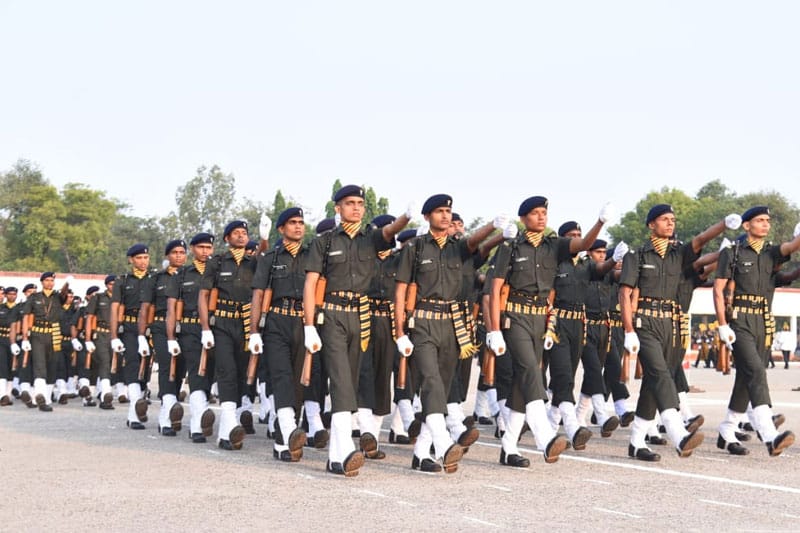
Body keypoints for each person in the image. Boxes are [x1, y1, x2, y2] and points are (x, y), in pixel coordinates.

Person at [486, 197, 613, 468]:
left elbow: (584, 245)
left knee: (523, 384)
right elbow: (495, 289)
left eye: (544, 212)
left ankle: (508, 447)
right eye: (535, 213)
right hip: (515, 316)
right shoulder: (511, 246)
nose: (541, 217)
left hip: (540, 318)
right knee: (531, 372)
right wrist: (494, 329)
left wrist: (600, 222)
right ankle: (546, 437)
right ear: (523, 219)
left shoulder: (554, 245)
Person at [303, 184, 411, 476]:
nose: (356, 208)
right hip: (333, 315)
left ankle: (336, 457)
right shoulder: (324, 243)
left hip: (360, 316)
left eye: (360, 204)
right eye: (349, 203)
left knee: (348, 382)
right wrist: (309, 325)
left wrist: (406, 217)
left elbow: (389, 233)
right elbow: (311, 284)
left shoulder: (370, 240)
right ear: (337, 208)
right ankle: (344, 450)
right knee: (339, 380)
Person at [394, 194, 506, 473]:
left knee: (442, 388)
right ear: (427, 217)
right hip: (422, 322)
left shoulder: (458, 248)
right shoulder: (416, 249)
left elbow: (474, 242)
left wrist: (493, 226)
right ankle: (443, 444)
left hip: (452, 324)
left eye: (448, 211)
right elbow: (400, 291)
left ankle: (421, 454)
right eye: (439, 211)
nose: (445, 216)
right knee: (431, 381)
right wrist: (399, 331)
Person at [620, 205, 740, 461]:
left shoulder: (678, 254)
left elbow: (700, 240)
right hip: (646, 322)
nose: (670, 223)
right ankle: (678, 432)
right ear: (651, 224)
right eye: (664, 219)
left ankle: (636, 441)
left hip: (672, 325)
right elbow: (625, 293)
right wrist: (629, 330)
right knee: (661, 374)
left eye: (673, 220)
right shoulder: (637, 256)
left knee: (654, 383)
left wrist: (723, 225)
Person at [715, 208, 800, 456]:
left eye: (767, 221)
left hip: (763, 321)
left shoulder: (771, 254)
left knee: (746, 377)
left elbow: (792, 246)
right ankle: (769, 434)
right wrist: (721, 324)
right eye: (760, 220)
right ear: (746, 226)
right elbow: (718, 290)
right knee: (755, 370)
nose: (765, 225)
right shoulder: (731, 253)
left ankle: (727, 429)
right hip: (739, 319)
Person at [249, 207, 315, 462]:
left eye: (301, 222)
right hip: (277, 320)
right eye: (292, 223)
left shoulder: (312, 256)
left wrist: (313, 325)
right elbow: (258, 294)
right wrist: (254, 331)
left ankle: (283, 436)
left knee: (300, 380)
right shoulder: (270, 258)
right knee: (282, 376)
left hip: (303, 321)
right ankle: (288, 433)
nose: (298, 226)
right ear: (281, 229)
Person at [198, 221, 258, 450]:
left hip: (245, 323)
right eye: (237, 233)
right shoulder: (217, 262)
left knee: (243, 373)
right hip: (222, 321)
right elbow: (203, 296)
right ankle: (230, 424)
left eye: (244, 233)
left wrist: (262, 240)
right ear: (227, 238)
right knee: (226, 370)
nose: (242, 236)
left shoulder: (254, 262)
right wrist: (205, 328)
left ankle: (227, 430)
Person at [166, 232, 217, 443]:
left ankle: (202, 412)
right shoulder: (182, 275)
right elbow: (171, 308)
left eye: (209, 248)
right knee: (197, 373)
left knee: (210, 374)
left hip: (216, 329)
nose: (205, 251)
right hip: (189, 328)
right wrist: (171, 337)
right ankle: (197, 424)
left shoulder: (218, 271)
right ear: (193, 250)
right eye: (201, 247)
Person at [140, 239, 188, 437]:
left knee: (181, 368)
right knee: (168, 366)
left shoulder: (189, 275)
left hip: (183, 326)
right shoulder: (156, 278)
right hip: (160, 326)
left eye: (182, 252)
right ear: (168, 255)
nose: (178, 255)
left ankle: (172, 404)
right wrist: (142, 335)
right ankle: (166, 414)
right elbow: (145, 308)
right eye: (174, 252)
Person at [110, 244, 153, 430]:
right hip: (129, 327)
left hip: (150, 328)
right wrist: (114, 335)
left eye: (145, 258)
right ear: (131, 260)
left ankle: (135, 410)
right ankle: (136, 412)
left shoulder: (154, 278)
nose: (143, 261)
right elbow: (115, 308)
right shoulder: (123, 281)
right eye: (139, 258)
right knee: (133, 365)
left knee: (146, 368)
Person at [20, 272, 71, 412]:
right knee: (39, 364)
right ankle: (40, 395)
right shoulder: (34, 297)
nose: (49, 283)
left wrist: (67, 283)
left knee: (52, 364)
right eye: (47, 280)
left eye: (52, 280)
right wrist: (25, 337)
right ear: (42, 282)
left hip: (53, 333)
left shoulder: (57, 297)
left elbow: (64, 294)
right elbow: (26, 317)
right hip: (37, 333)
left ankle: (46, 399)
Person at [0, 287, 19, 405]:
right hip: (1, 339)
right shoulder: (1, 307)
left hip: (15, 340)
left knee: (12, 368)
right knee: (2, 366)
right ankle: (2, 395)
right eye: (10, 294)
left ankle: (8, 395)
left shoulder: (19, 308)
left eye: (14, 294)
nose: (12, 296)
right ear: (6, 295)